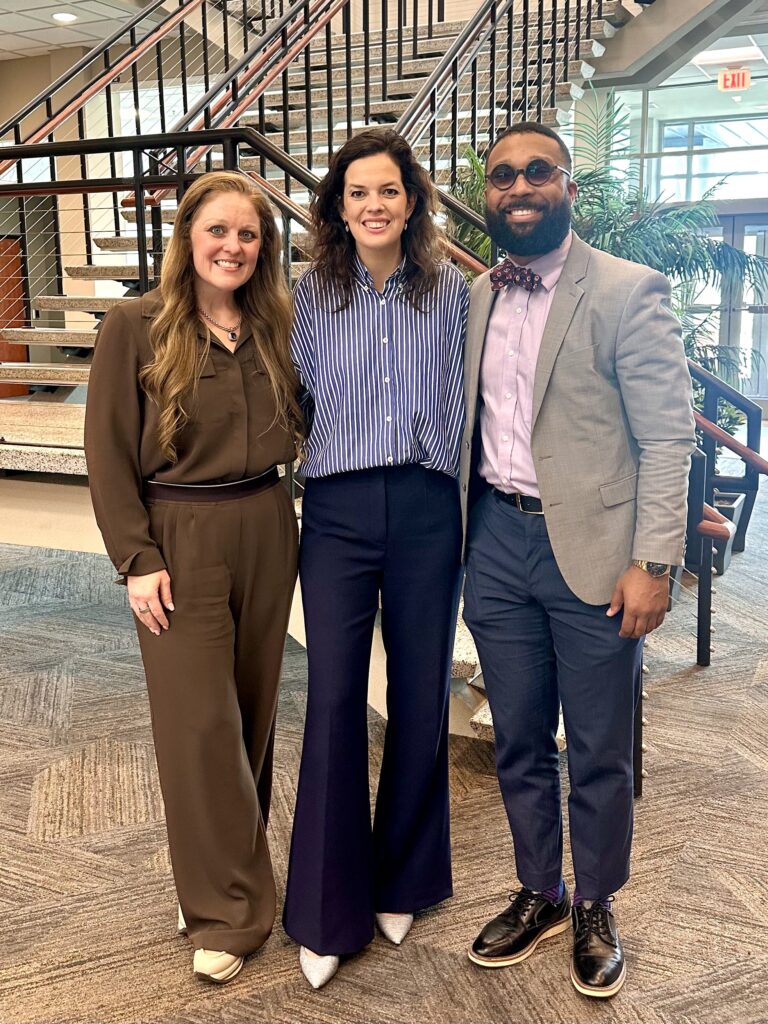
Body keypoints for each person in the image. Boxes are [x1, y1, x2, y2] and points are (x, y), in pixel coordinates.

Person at [459, 123, 696, 998]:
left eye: (537, 172)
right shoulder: (476, 295)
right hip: (496, 542)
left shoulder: (629, 290)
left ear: (567, 185)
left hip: (596, 553)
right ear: (487, 192)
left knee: (598, 746)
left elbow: (668, 439)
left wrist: (654, 563)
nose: (518, 188)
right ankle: (541, 890)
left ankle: (597, 901)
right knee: (517, 738)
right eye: (502, 176)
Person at [84, 170, 301, 984]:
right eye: (218, 230)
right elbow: (107, 451)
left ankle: (209, 876)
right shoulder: (135, 324)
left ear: (264, 247)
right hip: (179, 535)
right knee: (199, 725)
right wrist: (136, 558)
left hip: (267, 524)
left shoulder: (275, 323)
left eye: (248, 234)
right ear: (187, 237)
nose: (233, 247)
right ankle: (228, 912)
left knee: (250, 714)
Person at [282, 127, 469, 989]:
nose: (373, 205)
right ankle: (327, 910)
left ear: (413, 199)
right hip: (339, 510)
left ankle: (406, 878)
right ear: (337, 206)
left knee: (421, 691)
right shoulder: (306, 295)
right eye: (357, 192)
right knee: (332, 697)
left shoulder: (454, 292)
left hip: (429, 507)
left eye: (388, 189)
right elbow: (285, 396)